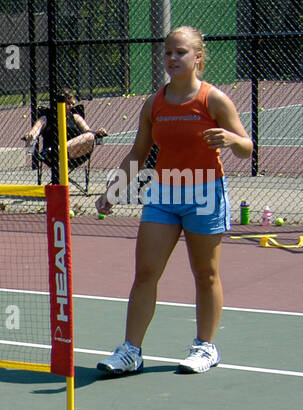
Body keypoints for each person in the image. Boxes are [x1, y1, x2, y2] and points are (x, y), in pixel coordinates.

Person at [93, 26, 253, 376]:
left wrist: (229, 137)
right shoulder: (154, 103)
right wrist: (112, 191)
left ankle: (205, 347)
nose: (172, 58)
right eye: (167, 52)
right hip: (163, 193)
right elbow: (138, 152)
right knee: (146, 272)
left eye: (180, 52)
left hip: (205, 192)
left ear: (198, 57)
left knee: (205, 273)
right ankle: (130, 351)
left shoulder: (214, 100)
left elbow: (247, 147)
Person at [23, 88, 107, 181]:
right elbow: (35, 131)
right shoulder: (46, 117)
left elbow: (88, 131)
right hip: (53, 157)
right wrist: (30, 136)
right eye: (68, 103)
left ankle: (58, 149)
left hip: (72, 153)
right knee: (56, 153)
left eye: (72, 103)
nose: (71, 106)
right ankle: (57, 152)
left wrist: (97, 132)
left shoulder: (75, 117)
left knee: (90, 136)